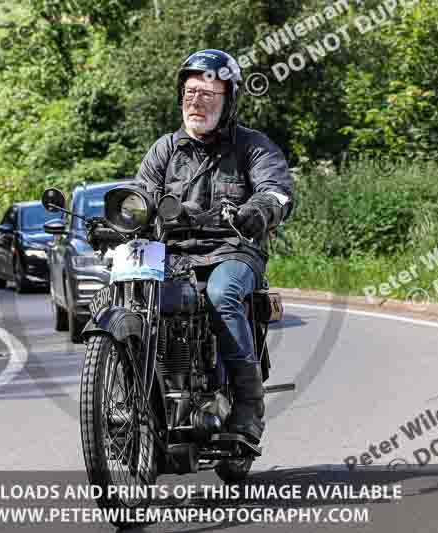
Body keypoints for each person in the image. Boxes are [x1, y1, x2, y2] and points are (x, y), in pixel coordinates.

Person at [132, 49, 294, 445]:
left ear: (229, 101)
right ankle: (138, 393)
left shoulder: (251, 146)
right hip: (174, 253)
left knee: (222, 295)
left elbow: (278, 190)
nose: (196, 103)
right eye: (190, 94)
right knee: (133, 298)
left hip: (233, 249)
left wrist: (262, 209)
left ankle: (247, 407)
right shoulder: (165, 150)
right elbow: (140, 197)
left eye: (208, 95)